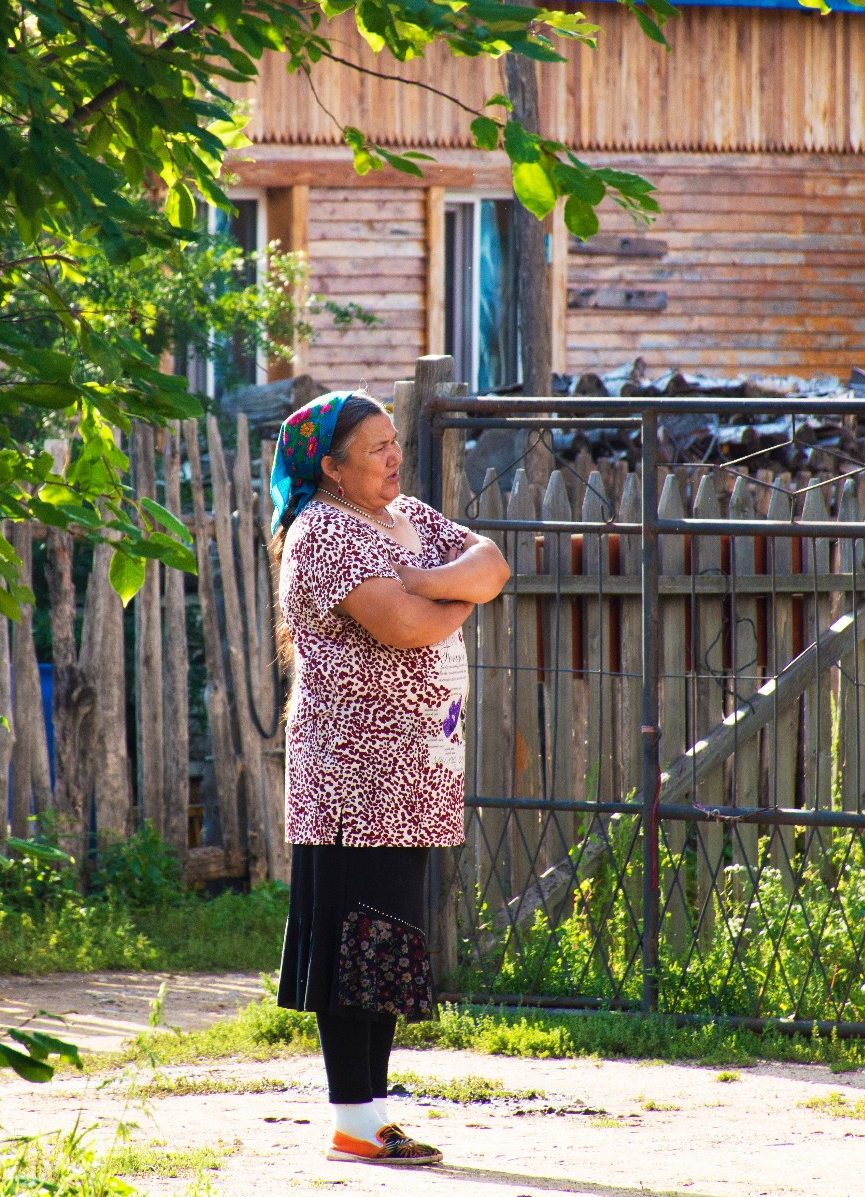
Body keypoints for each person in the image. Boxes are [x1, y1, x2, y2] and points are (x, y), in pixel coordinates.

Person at [268, 389, 510, 1167]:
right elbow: (402, 626)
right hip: (350, 773)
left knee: (389, 939)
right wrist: (449, 595)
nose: (393, 455)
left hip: (413, 770)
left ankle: (373, 1113)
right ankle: (352, 1117)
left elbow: (493, 565)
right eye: (374, 448)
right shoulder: (322, 532)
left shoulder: (406, 516)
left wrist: (427, 580)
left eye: (393, 440)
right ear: (332, 468)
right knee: (352, 937)